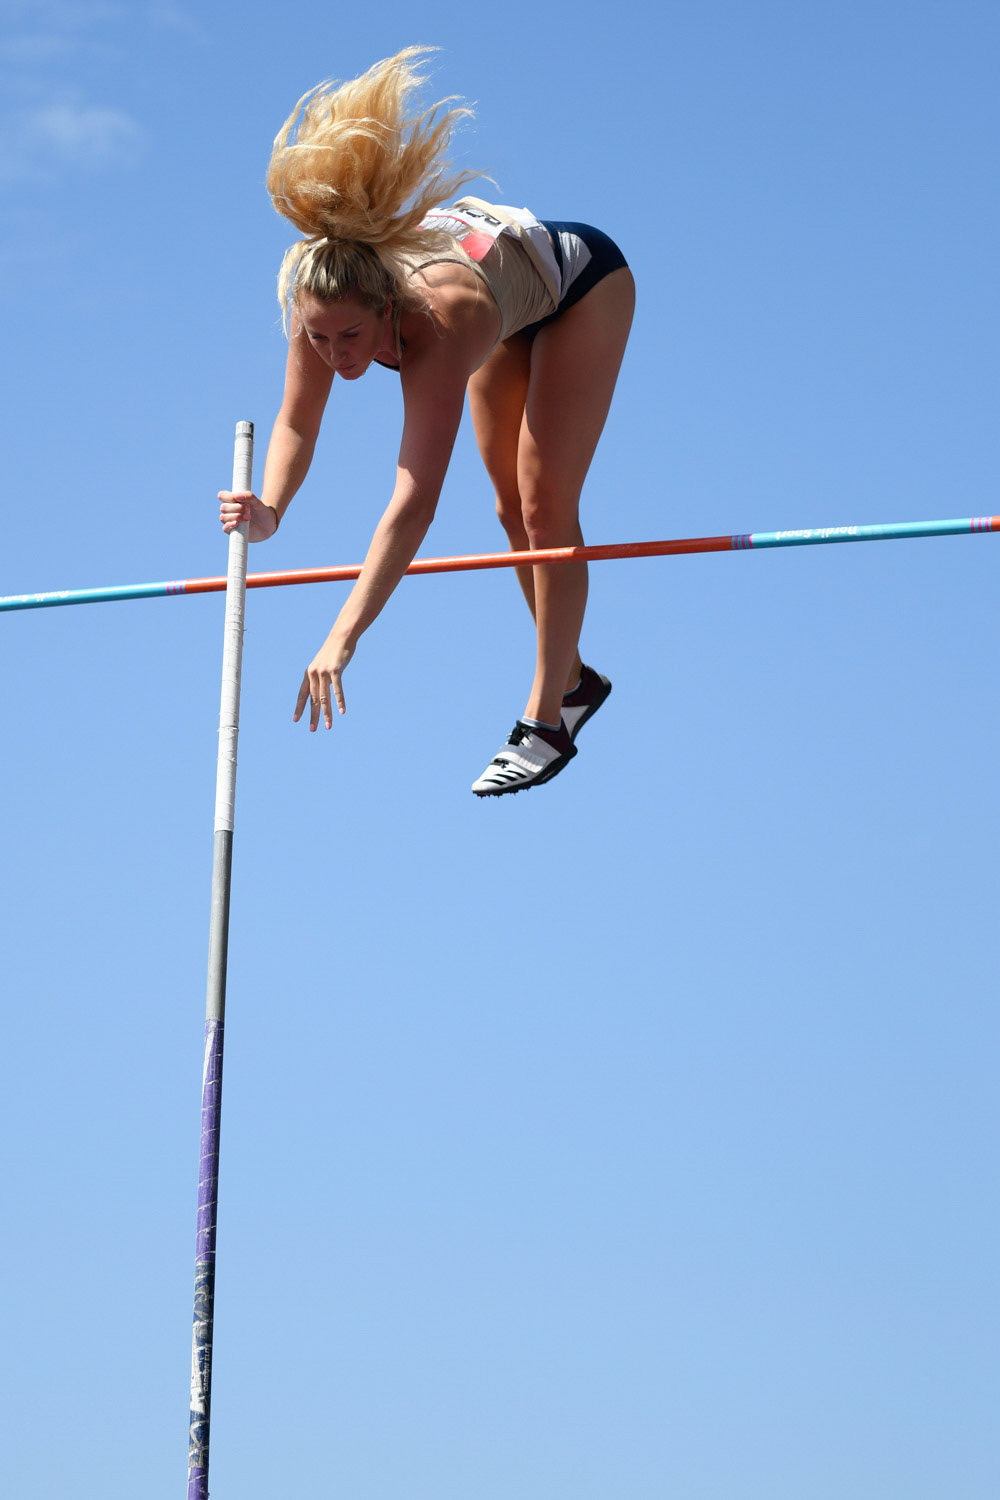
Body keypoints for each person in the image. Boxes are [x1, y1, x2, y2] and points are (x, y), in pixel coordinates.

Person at [219, 47, 634, 797]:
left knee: (543, 505)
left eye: (352, 339)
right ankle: (573, 679)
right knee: (508, 508)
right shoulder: (320, 304)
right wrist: (270, 511)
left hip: (579, 289)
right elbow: (296, 425)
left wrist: (342, 637)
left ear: (387, 309)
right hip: (512, 303)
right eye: (319, 338)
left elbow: (414, 503)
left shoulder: (439, 327)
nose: (336, 356)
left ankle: (547, 719)